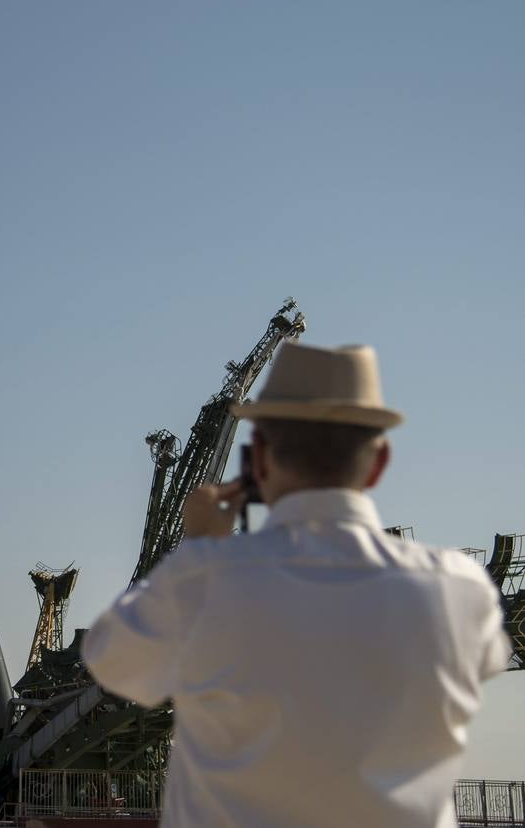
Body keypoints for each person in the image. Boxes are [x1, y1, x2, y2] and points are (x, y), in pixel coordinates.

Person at [82, 342, 510, 828]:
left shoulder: (205, 583)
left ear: (260, 461)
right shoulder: (459, 590)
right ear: (379, 463)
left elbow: (110, 661)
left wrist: (197, 552)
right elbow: (490, 657)